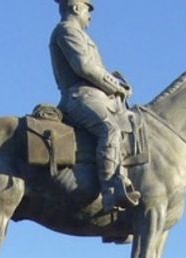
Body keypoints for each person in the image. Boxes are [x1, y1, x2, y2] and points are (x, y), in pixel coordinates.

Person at [49, 0, 141, 212]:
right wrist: (114, 84)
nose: (90, 15)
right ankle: (111, 192)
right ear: (76, 7)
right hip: (80, 97)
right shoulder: (66, 30)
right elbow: (85, 67)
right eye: (88, 9)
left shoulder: (80, 34)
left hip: (98, 98)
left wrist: (116, 84)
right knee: (110, 129)